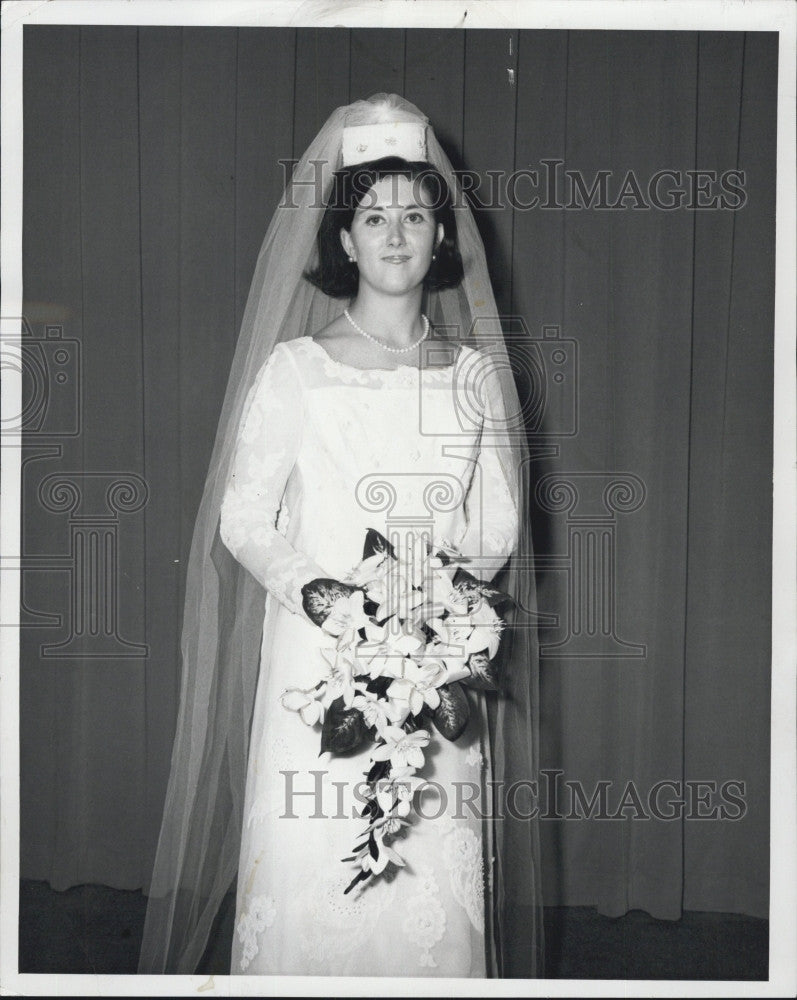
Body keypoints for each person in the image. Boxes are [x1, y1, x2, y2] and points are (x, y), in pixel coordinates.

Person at [138, 93, 543, 979]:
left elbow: (495, 522)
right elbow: (243, 515)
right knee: (315, 866)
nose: (395, 233)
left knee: (424, 883)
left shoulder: (471, 376)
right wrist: (323, 593)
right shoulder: (298, 371)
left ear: (440, 236)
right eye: (372, 215)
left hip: (433, 664)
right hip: (317, 662)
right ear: (344, 240)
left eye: (414, 213)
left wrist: (439, 603)